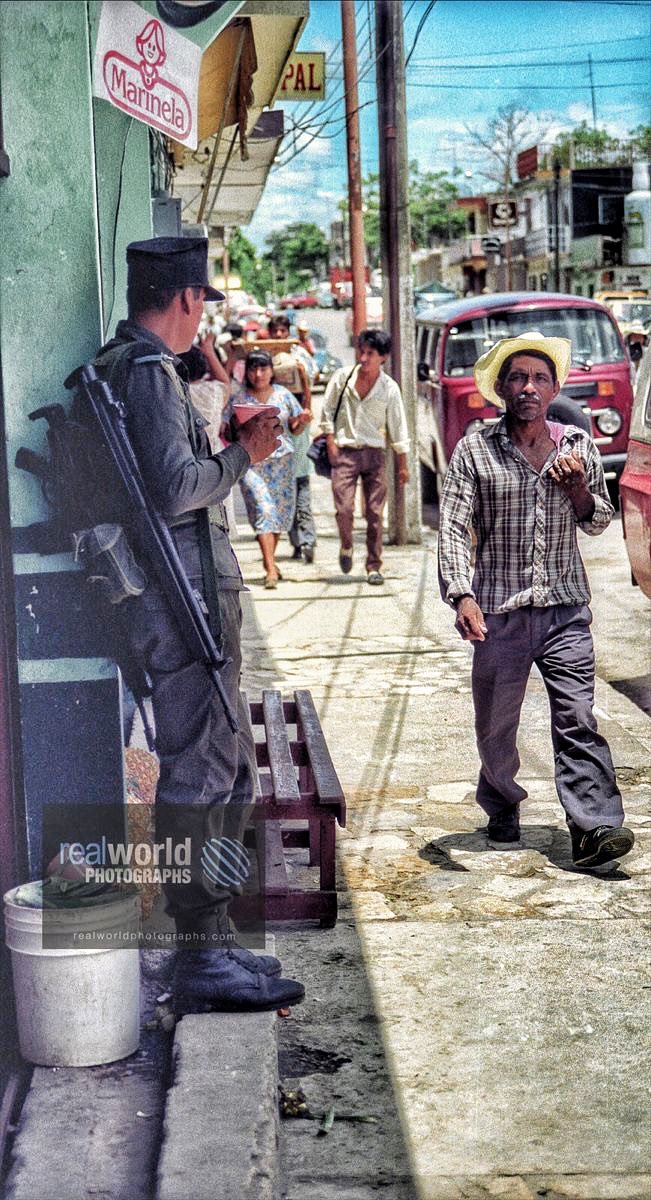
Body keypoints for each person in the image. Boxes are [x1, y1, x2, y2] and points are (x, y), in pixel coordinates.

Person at [95, 237, 305, 1011]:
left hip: (182, 605)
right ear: (186, 299)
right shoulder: (148, 372)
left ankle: (212, 941)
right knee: (202, 777)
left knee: (222, 773)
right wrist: (245, 452)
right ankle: (201, 956)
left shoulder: (136, 366)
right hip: (184, 611)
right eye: (200, 304)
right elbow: (178, 489)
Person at [437, 330, 635, 870]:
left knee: (576, 715)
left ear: (553, 389)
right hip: (499, 610)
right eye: (518, 377)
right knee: (496, 723)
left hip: (565, 609)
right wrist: (461, 594)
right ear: (500, 387)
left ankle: (595, 828)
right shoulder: (476, 448)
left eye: (540, 378)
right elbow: (454, 527)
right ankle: (501, 801)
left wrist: (576, 490)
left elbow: (597, 521)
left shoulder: (577, 445)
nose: (529, 387)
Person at [321, 328, 410, 586]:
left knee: (374, 513)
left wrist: (402, 465)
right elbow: (327, 411)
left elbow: (398, 427)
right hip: (346, 451)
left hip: (374, 455)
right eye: (362, 351)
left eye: (370, 353)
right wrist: (331, 442)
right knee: (344, 509)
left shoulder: (389, 388)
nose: (364, 358)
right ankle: (347, 545)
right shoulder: (342, 378)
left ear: (382, 357)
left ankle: (373, 565)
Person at [228, 349, 311, 587]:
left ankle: (270, 562)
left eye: (263, 368)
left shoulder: (284, 395)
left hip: (282, 463)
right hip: (253, 464)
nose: (258, 374)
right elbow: (230, 431)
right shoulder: (239, 399)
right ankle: (271, 569)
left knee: (280, 515)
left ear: (271, 371)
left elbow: (294, 428)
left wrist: (302, 422)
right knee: (263, 510)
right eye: (254, 369)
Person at [266, 313, 318, 563]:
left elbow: (310, 384)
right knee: (285, 496)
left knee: (302, 493)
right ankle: (297, 543)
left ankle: (307, 541)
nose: (278, 336)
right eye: (274, 331)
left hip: (297, 427)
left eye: (282, 331)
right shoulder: (265, 358)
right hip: (277, 430)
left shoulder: (299, 355)